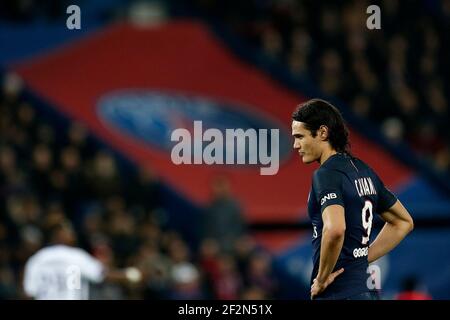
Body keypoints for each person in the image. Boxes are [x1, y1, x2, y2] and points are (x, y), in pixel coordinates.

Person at [291, 99, 414, 300]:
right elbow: (403, 222)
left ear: (322, 132)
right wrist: (360, 259)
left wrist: (321, 280)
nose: (296, 145)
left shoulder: (326, 174)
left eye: (300, 136)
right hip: (368, 290)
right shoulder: (364, 170)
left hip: (340, 293)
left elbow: (335, 229)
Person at [23, 220, 142, 300]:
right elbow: (102, 274)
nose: (72, 234)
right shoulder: (74, 256)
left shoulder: (36, 260)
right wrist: (129, 275)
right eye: (68, 231)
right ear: (57, 235)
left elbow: (29, 292)